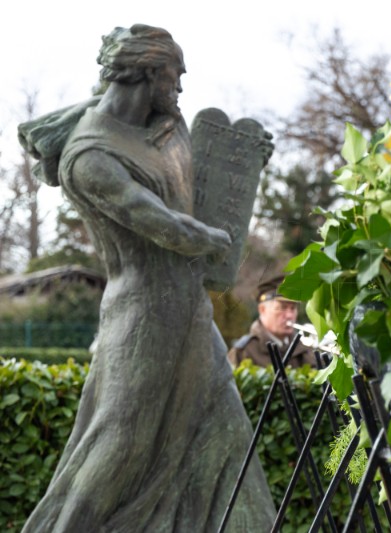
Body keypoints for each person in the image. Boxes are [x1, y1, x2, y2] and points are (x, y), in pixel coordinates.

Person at [17, 24, 275, 531]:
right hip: (143, 321)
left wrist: (245, 163)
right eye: (175, 75)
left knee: (226, 432)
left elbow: (195, 186)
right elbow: (160, 221)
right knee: (119, 446)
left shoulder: (165, 124)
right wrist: (214, 241)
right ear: (149, 72)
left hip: (190, 312)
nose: (180, 86)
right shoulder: (91, 156)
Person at [227, 274, 317, 369]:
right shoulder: (243, 352)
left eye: (293, 308)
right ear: (262, 310)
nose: (289, 315)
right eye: (282, 308)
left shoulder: (304, 350)